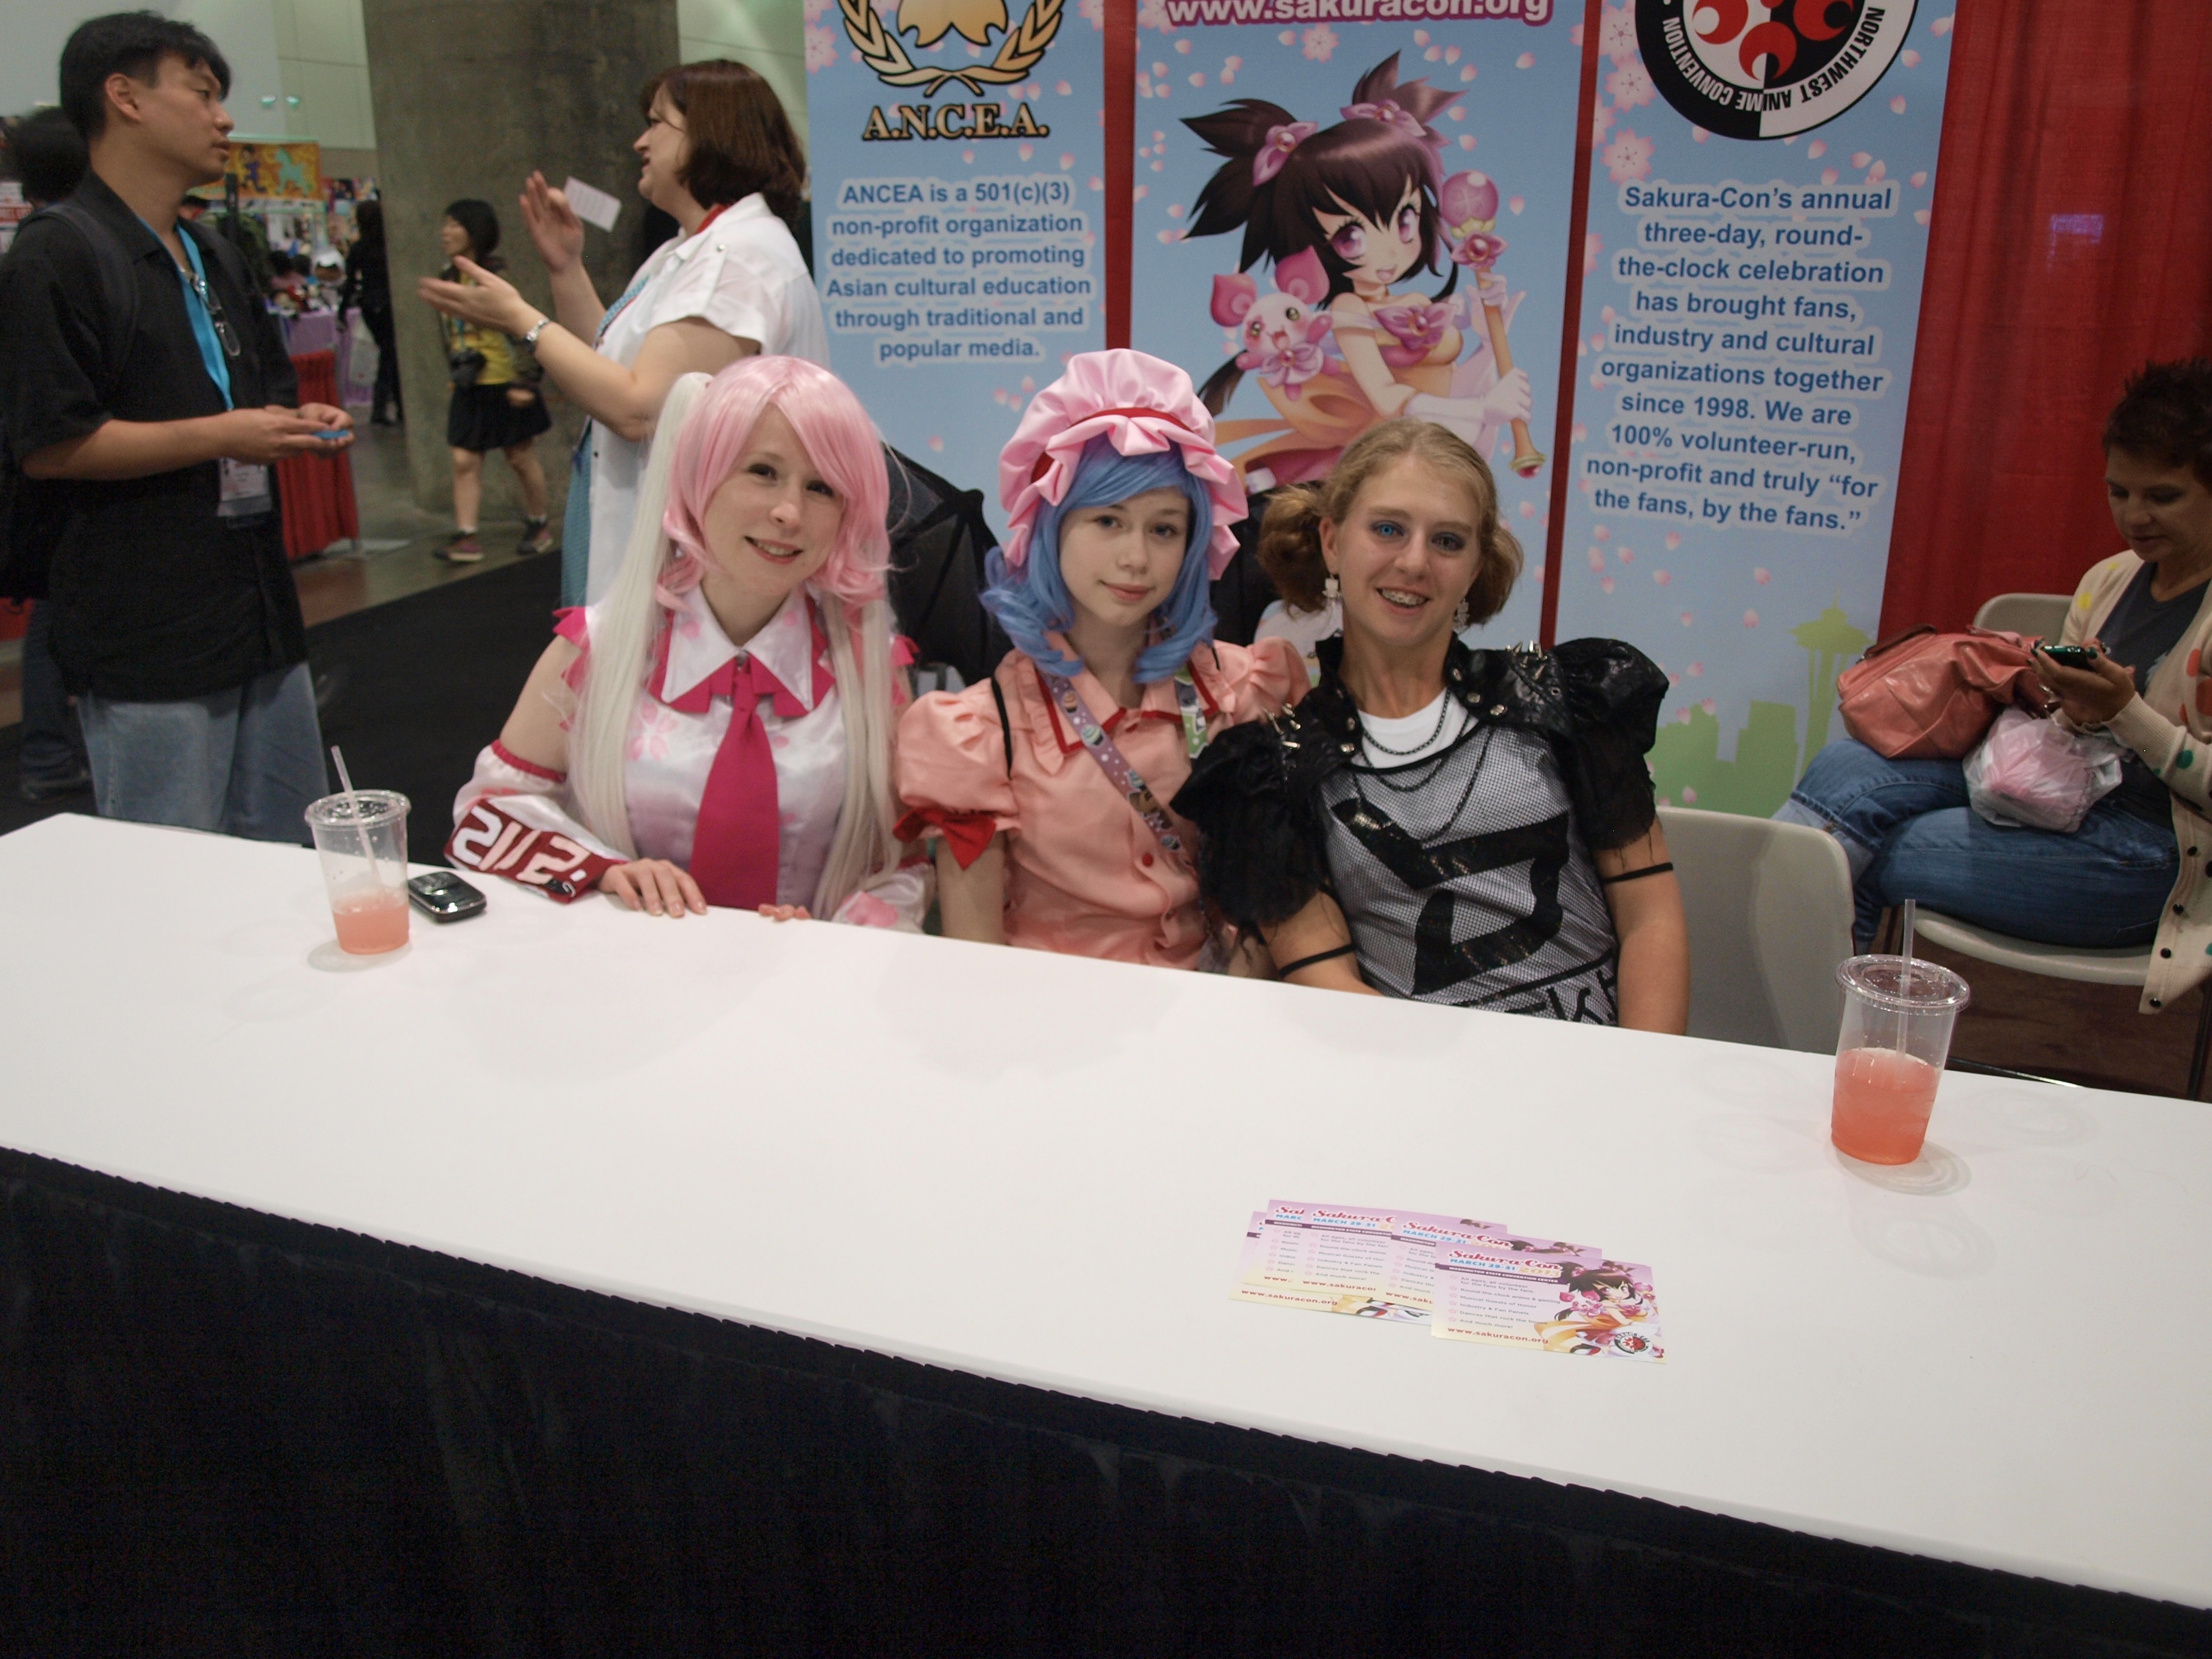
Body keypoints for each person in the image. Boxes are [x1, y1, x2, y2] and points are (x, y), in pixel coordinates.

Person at [1174, 420, 1689, 1029]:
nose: (1415, 562)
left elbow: (1650, 917)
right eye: (1388, 529)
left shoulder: (1564, 699)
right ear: (1332, 541)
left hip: (1609, 1068)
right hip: (1410, 1072)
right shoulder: (1271, 776)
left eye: (1448, 541)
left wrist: (1642, 1076)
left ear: (1475, 565)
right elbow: (1328, 986)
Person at [0, 13, 350, 840]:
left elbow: (260, 392)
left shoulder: (212, 250)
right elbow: (53, 445)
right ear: (124, 98)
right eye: (202, 94)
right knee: (169, 860)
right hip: (145, 628)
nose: (224, 119)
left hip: (256, 608)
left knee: (289, 850)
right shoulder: (57, 255)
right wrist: (225, 435)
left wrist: (296, 420)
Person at [1781, 361, 2212, 1008]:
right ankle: (1769, 971)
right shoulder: (2110, 578)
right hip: (2066, 795)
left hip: (2159, 857)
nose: (2135, 516)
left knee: (1869, 854)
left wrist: (2124, 710)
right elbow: (2071, 737)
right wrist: (2071, 704)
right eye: (2119, 492)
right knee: (1847, 767)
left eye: (2164, 497)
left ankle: (1807, 1020)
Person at [452, 356, 927, 927]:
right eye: (762, 471)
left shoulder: (869, 669)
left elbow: (902, 866)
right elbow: (485, 816)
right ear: (700, 475)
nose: (789, 512)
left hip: (805, 976)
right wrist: (600, 870)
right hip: (628, 967)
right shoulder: (600, 650)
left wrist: (841, 938)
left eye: (821, 487)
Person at [896, 350, 1307, 970]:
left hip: (1218, 1011)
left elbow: (1281, 901)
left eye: (1164, 529)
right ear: (1052, 527)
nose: (1135, 558)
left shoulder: (1244, 689)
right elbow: (974, 963)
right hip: (1052, 1020)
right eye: (1108, 521)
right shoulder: (981, 734)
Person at [418, 59, 826, 607]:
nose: (640, 142)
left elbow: (639, 408)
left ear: (710, 135)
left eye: (657, 123)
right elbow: (616, 364)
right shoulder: (690, 248)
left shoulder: (738, 258)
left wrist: (521, 320)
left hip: (702, 573)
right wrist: (566, 269)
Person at [1182, 52, 1530, 490]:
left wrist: (1487, 340)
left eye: (1405, 220)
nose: (1390, 252)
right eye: (1353, 236)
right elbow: (1387, 398)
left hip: (1434, 452)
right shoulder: (1350, 308)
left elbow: (1446, 384)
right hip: (1388, 460)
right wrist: (1481, 409)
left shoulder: (1418, 304)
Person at [3, 107, 93, 802]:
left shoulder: (49, 246)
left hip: (43, 475)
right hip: (51, 481)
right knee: (58, 607)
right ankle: (45, 751)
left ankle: (52, 746)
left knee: (60, 609)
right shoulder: (46, 254)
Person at [429, 198, 551, 561]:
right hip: (470, 384)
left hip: (506, 382)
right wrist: (455, 370)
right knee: (464, 461)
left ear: (475, 232)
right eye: (445, 224)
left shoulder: (498, 277)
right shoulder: (447, 277)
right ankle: (467, 536)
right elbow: (447, 333)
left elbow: (527, 327)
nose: (445, 232)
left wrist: (526, 381)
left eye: (454, 225)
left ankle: (539, 523)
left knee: (520, 457)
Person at [335, 196, 400, 426]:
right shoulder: (389, 247)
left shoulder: (359, 249)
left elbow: (350, 283)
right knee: (390, 356)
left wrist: (342, 312)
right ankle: (385, 408)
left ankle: (388, 407)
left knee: (388, 354)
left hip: (371, 308)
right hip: (389, 305)